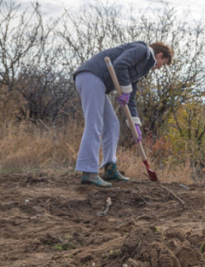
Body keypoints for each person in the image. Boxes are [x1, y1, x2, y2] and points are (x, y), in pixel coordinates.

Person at [73, 41, 173, 187]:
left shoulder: (141, 68)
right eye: (162, 64)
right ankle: (88, 172)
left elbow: (130, 98)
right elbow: (120, 64)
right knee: (95, 124)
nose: (158, 68)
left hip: (97, 82)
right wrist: (125, 90)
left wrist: (135, 125)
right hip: (91, 76)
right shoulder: (142, 50)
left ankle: (110, 167)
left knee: (112, 124)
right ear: (159, 55)